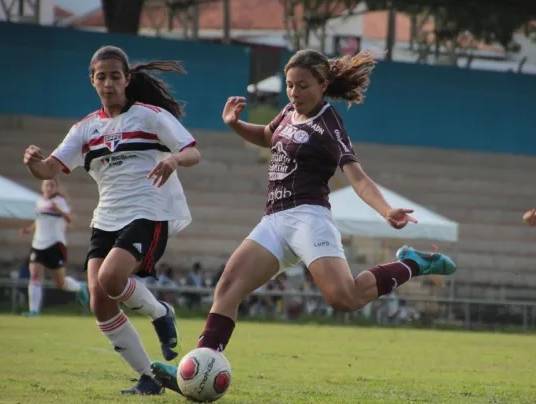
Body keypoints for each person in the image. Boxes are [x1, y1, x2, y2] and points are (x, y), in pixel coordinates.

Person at [151, 49, 457, 394]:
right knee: (227, 287)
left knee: (345, 298)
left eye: (303, 86)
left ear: (323, 85)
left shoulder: (329, 124)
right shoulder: (288, 112)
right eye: (290, 85)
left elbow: (358, 177)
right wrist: (235, 124)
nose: (294, 93)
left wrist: (386, 210)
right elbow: (268, 136)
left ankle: (412, 264)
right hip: (275, 219)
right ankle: (196, 371)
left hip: (310, 218)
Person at [22, 45, 201, 395]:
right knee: (99, 301)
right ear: (92, 81)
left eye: (115, 76)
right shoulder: (84, 129)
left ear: (127, 79)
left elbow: (193, 150)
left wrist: (174, 161)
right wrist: (32, 161)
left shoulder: (150, 116)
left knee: (111, 277)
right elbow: (48, 169)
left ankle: (160, 312)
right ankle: (150, 376)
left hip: (149, 211)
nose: (108, 83)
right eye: (101, 77)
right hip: (106, 218)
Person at [19, 178, 89, 316]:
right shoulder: (40, 201)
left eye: (52, 185)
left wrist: (59, 210)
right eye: (46, 185)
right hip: (38, 243)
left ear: (56, 188)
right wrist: (29, 229)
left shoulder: (60, 201)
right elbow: (40, 219)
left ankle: (79, 287)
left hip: (54, 244)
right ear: (42, 187)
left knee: (60, 283)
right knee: (34, 275)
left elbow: (69, 220)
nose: (49, 188)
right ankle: (34, 311)